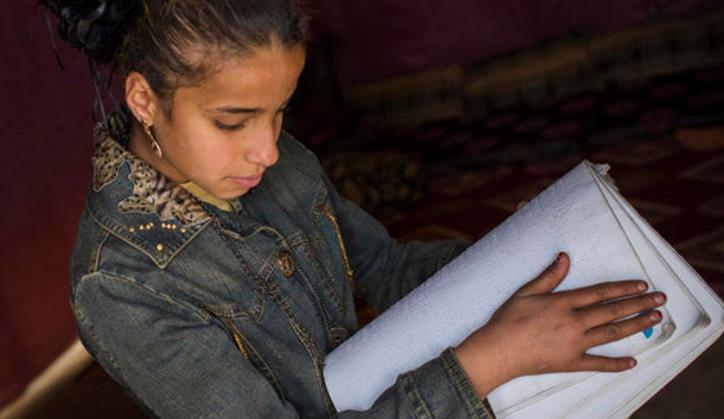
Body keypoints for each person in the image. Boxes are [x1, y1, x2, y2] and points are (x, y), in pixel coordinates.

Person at [45, 0, 666, 417]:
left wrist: (515, 254)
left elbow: (386, 269)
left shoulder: (276, 162)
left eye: (279, 111)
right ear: (144, 99)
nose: (267, 149)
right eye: (232, 121)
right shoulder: (120, 286)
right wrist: (489, 361)